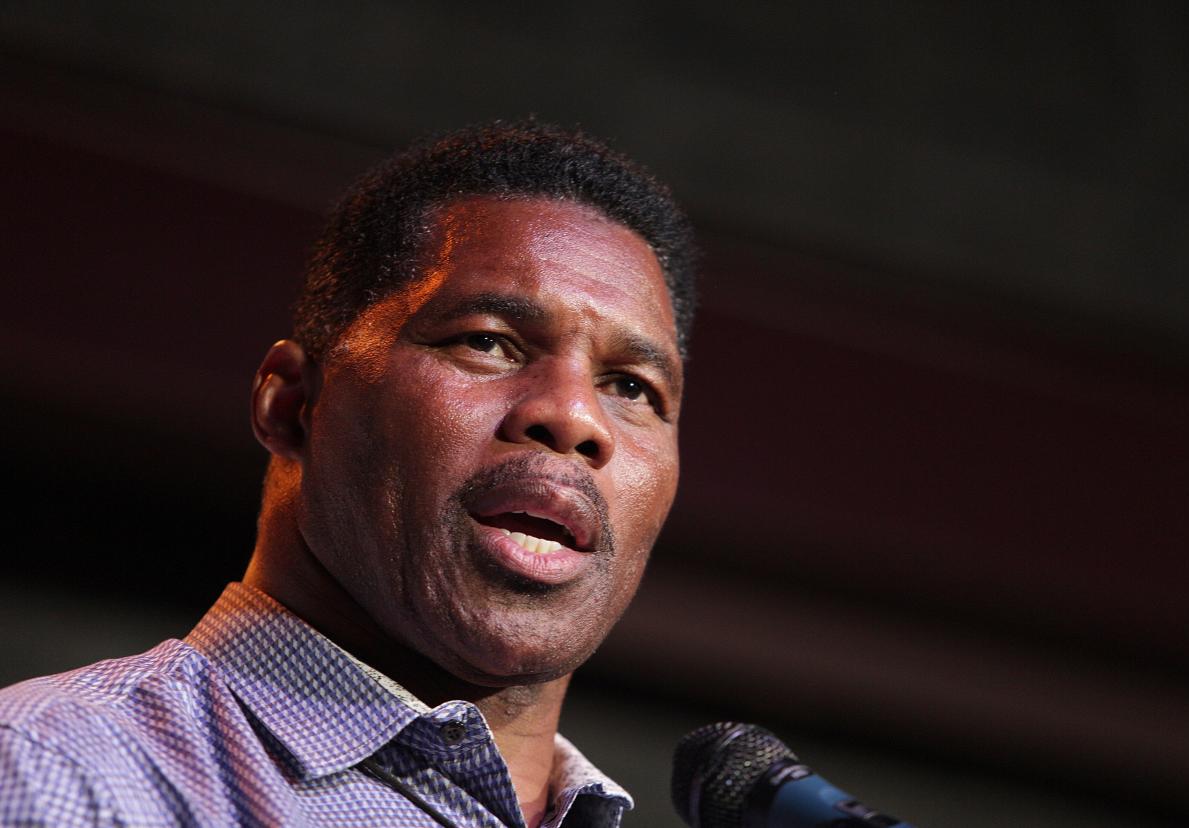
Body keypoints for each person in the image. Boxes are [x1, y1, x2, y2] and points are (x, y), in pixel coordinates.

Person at [0, 121, 696, 827]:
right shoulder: (59, 775)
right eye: (487, 341)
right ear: (294, 405)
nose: (575, 417)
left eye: (633, 387)